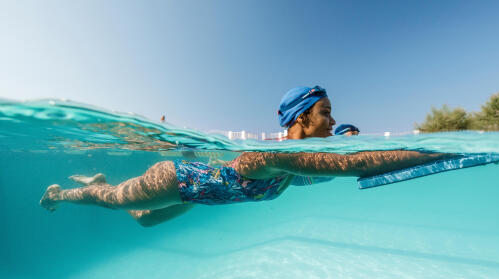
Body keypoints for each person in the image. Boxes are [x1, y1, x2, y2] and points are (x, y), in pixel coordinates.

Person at [40, 86, 448, 227]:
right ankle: (64, 194)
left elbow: (334, 162)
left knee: (145, 223)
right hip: (176, 180)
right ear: (302, 118)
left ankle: (97, 184)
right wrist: (439, 150)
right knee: (110, 200)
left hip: (193, 196)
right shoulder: (273, 156)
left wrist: (347, 138)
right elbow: (352, 164)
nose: (333, 122)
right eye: (326, 114)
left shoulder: (297, 166)